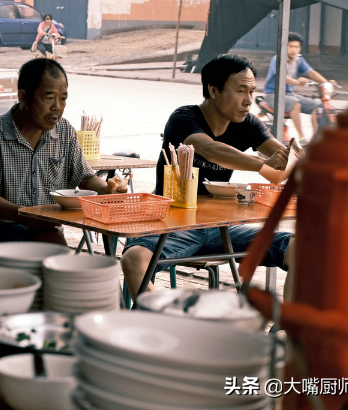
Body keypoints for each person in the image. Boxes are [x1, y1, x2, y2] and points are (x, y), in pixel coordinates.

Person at [121, 53, 297, 301]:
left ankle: (285, 334)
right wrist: (264, 165)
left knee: (300, 248)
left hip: (223, 227)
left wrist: (296, 157)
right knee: (133, 259)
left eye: (251, 91)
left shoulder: (248, 124)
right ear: (214, 90)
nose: (248, 101)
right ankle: (157, 323)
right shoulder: (184, 118)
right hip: (174, 223)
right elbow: (211, 150)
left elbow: (280, 164)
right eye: (241, 91)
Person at [0, 58, 121, 244]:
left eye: (63, 98)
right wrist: (27, 217)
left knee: (53, 244)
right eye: (48, 98)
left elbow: (85, 179)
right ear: (24, 97)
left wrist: (109, 189)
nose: (57, 107)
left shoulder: (65, 132)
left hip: (46, 229)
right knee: (52, 246)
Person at [263, 32, 334, 143]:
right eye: (290, 46)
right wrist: (296, 82)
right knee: (295, 103)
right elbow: (281, 75)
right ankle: (301, 138)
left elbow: (311, 73)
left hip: (290, 95)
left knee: (318, 106)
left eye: (296, 47)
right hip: (273, 95)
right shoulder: (277, 58)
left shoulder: (299, 60)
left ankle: (315, 141)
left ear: (300, 48)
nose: (293, 50)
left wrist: (326, 83)